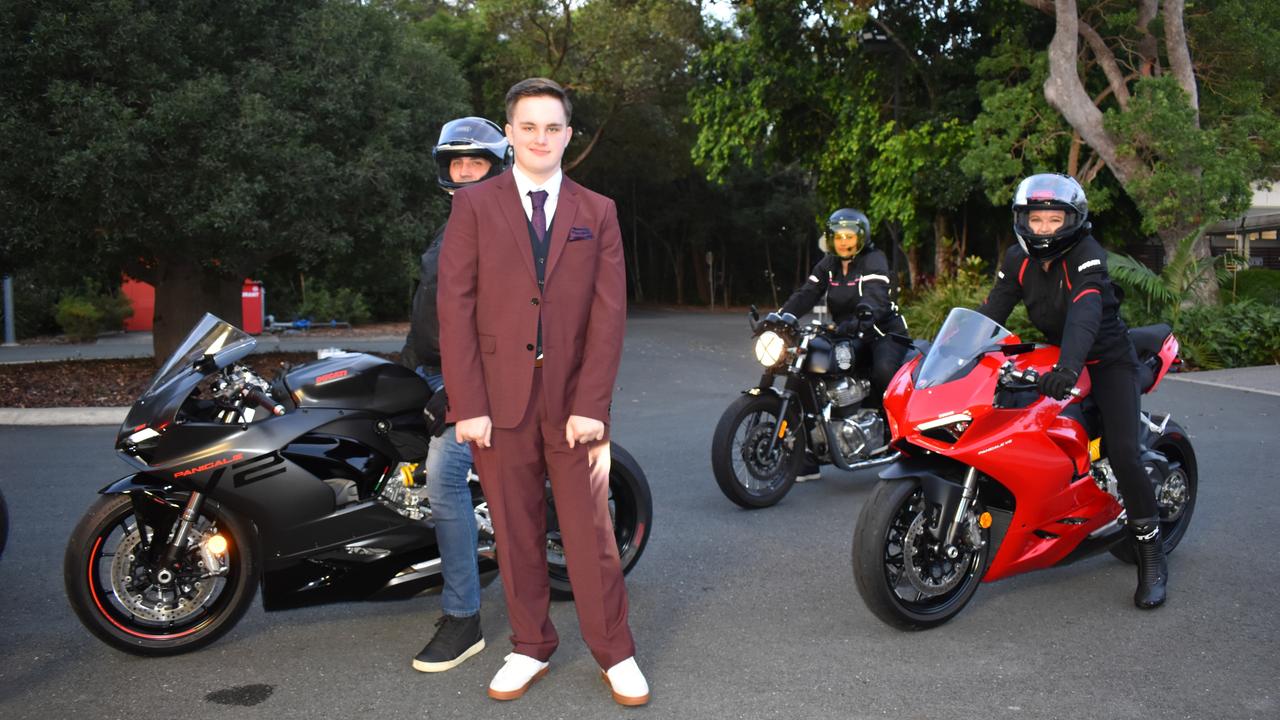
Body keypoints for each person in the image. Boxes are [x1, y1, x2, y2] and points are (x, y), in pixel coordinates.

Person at [437, 78, 648, 706]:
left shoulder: (598, 211)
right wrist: (467, 406)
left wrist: (592, 405)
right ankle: (530, 645)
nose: (540, 138)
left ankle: (617, 652)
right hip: (497, 404)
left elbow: (609, 316)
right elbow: (456, 307)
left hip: (573, 403)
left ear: (568, 135)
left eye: (552, 127)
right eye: (528, 126)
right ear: (509, 133)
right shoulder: (473, 207)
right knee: (515, 530)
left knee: (590, 534)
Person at [976, 172, 1168, 609]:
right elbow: (993, 311)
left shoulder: (1087, 255)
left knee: (1122, 450)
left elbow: (1085, 312)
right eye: (1036, 219)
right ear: (1022, 220)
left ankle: (1151, 556)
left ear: (1073, 221)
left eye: (1054, 220)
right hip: (1059, 355)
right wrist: (952, 353)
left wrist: (1068, 367)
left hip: (1106, 360)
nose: (1044, 228)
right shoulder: (1017, 258)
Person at [402, 116, 511, 673]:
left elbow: (508, 326)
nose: (465, 171)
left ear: (497, 169)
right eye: (457, 163)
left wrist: (462, 391)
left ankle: (464, 617)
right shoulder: (454, 224)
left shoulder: (503, 230)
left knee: (444, 474)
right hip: (425, 367)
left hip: (470, 380)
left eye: (477, 163)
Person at [780, 208, 909, 478]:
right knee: (807, 370)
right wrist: (782, 317)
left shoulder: (874, 259)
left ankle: (901, 441)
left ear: (861, 238)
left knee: (884, 371)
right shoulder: (829, 264)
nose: (843, 241)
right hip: (845, 331)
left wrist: (861, 317)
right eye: (837, 236)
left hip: (881, 330)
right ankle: (808, 453)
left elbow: (876, 298)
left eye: (849, 236)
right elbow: (807, 292)